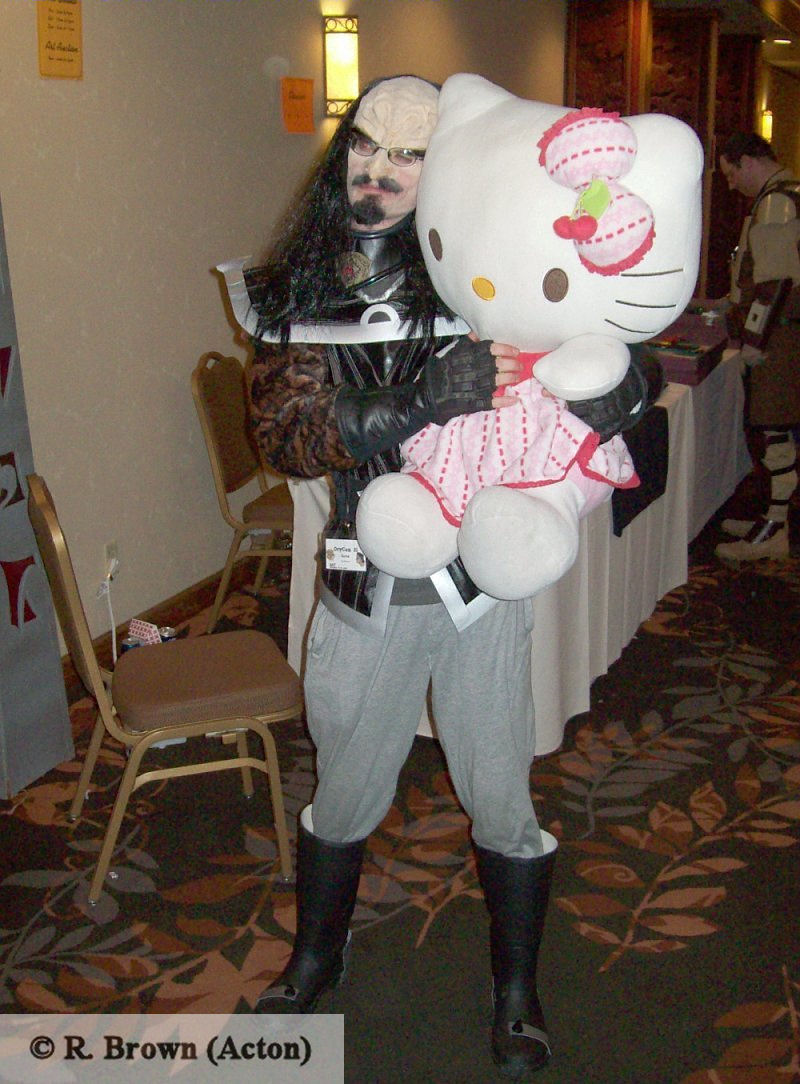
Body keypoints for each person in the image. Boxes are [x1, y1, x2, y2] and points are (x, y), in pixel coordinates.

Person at [242, 74, 642, 1077]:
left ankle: (516, 988)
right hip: (362, 576)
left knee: (500, 792)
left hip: (479, 582)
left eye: (410, 153)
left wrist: (620, 387)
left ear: (444, 168)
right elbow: (286, 437)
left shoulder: (473, 265)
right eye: (367, 144)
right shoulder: (294, 290)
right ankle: (315, 958)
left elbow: (584, 319)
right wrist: (417, 402)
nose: (380, 171)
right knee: (345, 788)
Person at [715, 132, 800, 561]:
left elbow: (773, 285)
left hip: (779, 337)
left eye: (731, 174)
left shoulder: (777, 202)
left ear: (747, 160)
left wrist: (752, 341)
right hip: (782, 332)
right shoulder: (784, 193)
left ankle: (775, 530)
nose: (731, 185)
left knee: (773, 430)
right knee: (772, 429)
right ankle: (772, 517)